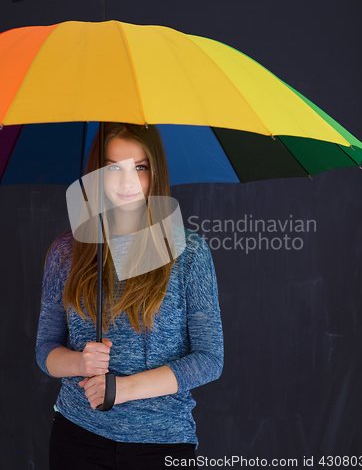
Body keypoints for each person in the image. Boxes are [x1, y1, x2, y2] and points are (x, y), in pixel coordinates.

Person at [35, 122, 224, 470]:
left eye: (140, 167)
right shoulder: (66, 252)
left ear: (157, 171)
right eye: (113, 168)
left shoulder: (190, 252)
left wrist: (124, 389)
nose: (127, 182)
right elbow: (45, 348)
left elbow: (210, 359)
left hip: (162, 442)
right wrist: (78, 363)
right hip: (78, 436)